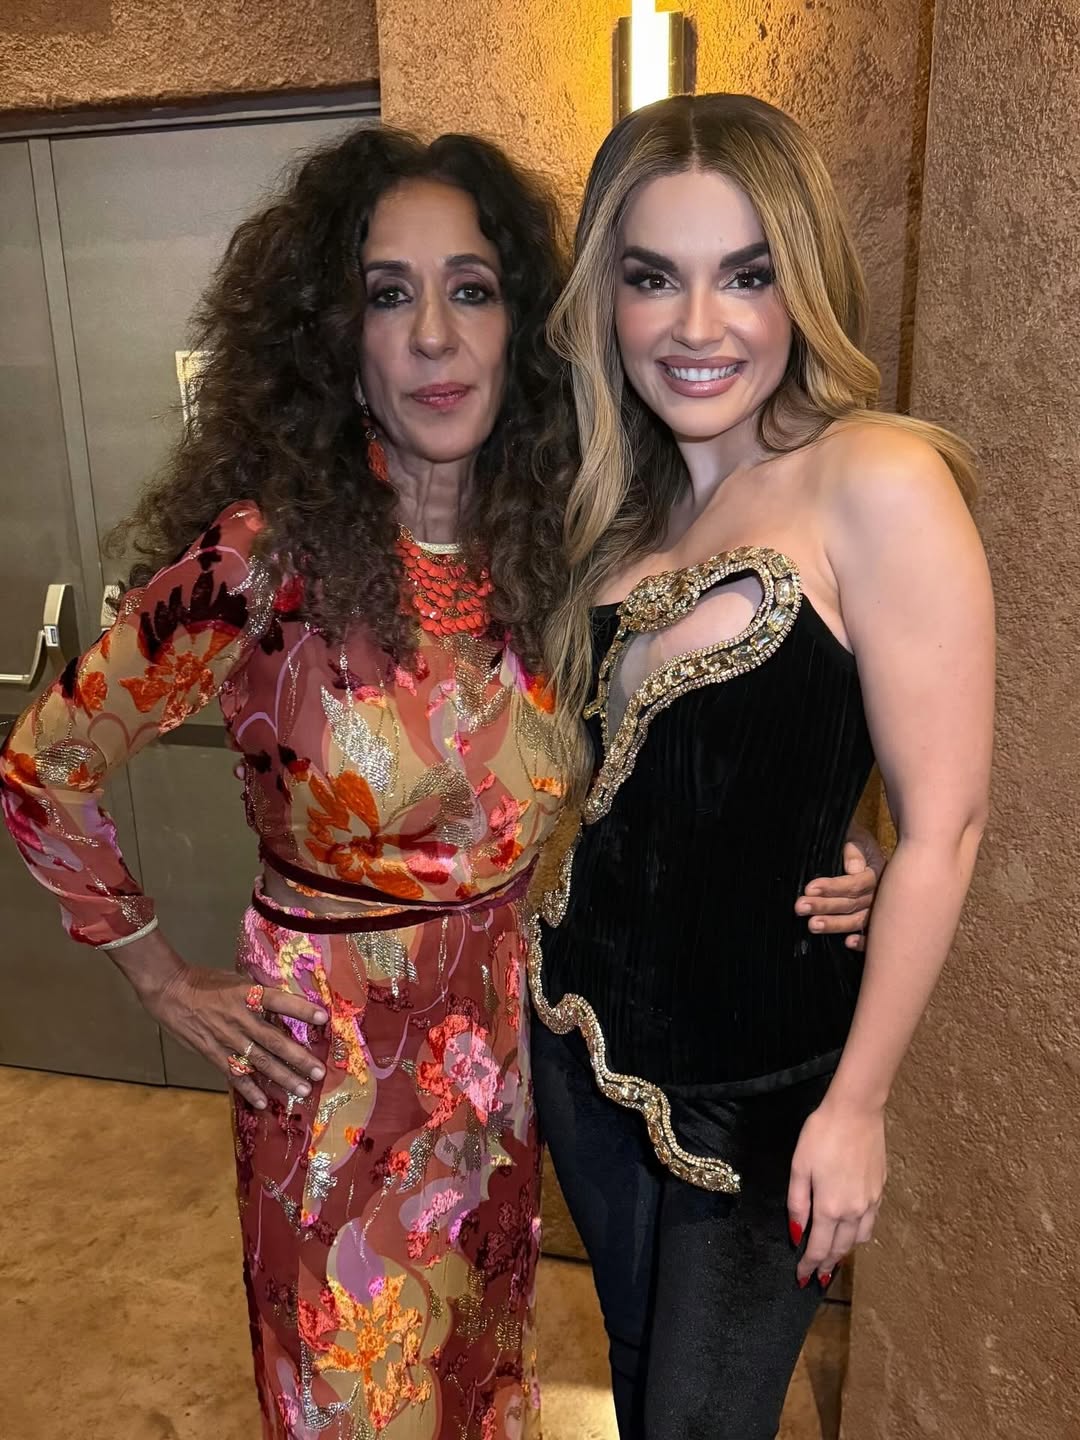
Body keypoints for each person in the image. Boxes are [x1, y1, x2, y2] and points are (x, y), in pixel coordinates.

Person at [1, 122, 876, 1439]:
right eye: (387, 294)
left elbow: (676, 750)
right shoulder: (260, 559)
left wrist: (837, 848)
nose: (431, 337)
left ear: (522, 327)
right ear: (334, 337)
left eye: (470, 290)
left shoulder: (565, 550)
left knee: (483, 1395)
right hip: (330, 1085)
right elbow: (43, 765)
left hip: (504, 1069)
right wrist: (162, 978)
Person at [529, 93, 994, 1440]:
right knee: (635, 1376)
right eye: (652, 278)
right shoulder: (615, 511)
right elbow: (623, 785)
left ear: (805, 285)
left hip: (766, 1091)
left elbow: (949, 824)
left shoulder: (878, 476)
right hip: (579, 1043)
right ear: (604, 299)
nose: (699, 325)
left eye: (746, 274)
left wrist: (860, 1106)